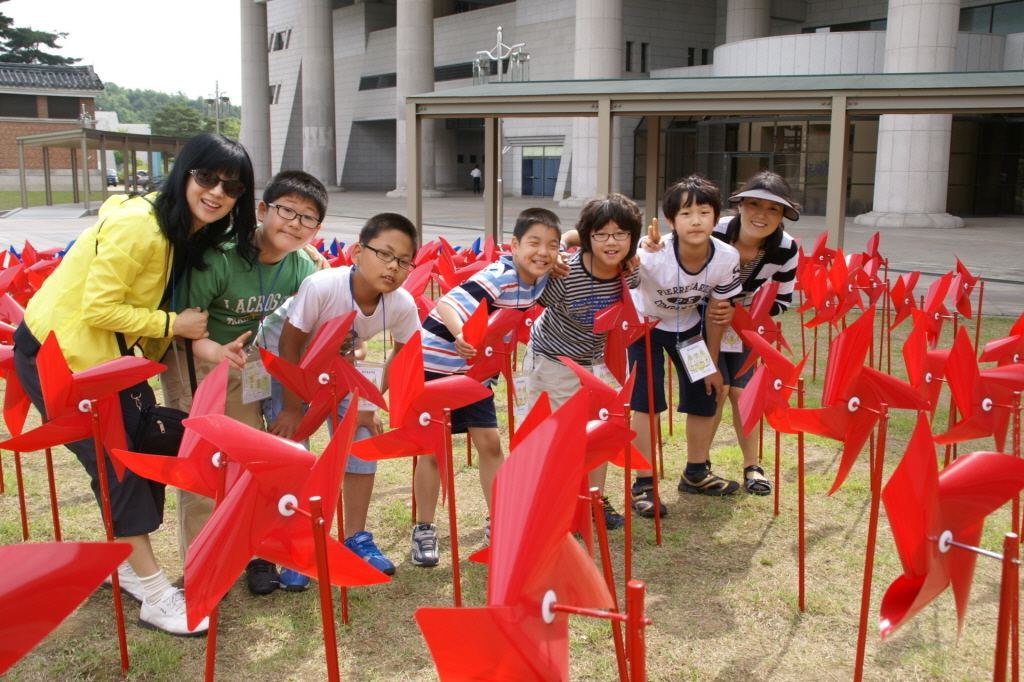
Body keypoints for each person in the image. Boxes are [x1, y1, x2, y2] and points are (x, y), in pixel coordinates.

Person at [11, 132, 258, 637]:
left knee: (134, 460)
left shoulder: (181, 227)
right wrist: (174, 325)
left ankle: (126, 564)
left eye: (231, 187)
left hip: (111, 361)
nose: (216, 191)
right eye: (206, 177)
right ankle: (154, 593)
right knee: (118, 468)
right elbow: (98, 308)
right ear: (184, 172)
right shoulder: (141, 227)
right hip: (66, 359)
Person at [160, 170, 327, 593]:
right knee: (203, 466)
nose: (295, 223)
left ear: (317, 230)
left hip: (241, 363)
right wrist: (216, 353)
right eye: (286, 210)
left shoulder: (303, 265)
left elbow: (325, 298)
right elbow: (182, 328)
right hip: (194, 359)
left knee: (252, 460)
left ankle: (254, 552)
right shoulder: (218, 258)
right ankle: (202, 566)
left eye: (307, 218)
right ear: (261, 210)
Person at [259, 213, 422, 582]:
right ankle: (296, 544)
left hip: (336, 366)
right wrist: (290, 407)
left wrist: (367, 402)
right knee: (293, 449)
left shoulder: (401, 305)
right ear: (356, 252)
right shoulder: (322, 286)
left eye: (403, 260)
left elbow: (405, 353)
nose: (392, 266)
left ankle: (356, 538)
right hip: (286, 364)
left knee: (361, 440)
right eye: (384, 253)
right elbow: (288, 344)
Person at [411, 207, 562, 566]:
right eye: (534, 243)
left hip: (475, 370)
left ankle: (500, 523)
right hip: (435, 365)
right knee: (432, 451)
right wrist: (461, 334)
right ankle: (424, 529)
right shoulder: (501, 276)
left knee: (490, 444)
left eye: (551, 246)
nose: (543, 252)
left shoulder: (544, 270)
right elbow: (447, 302)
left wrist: (560, 255)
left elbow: (572, 244)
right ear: (513, 246)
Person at [525, 194, 642, 529]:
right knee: (559, 439)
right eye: (601, 234)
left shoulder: (629, 273)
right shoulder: (564, 275)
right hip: (553, 362)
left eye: (620, 234)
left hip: (598, 365)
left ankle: (593, 499)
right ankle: (555, 505)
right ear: (588, 236)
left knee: (600, 430)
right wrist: (556, 251)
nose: (611, 242)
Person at [628, 175, 741, 516]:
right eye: (686, 213)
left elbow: (718, 314)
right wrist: (638, 249)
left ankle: (695, 473)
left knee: (708, 392)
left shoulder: (726, 257)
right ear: (670, 221)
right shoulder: (651, 256)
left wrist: (712, 362)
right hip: (643, 325)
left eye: (704, 212)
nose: (696, 221)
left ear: (716, 217)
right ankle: (643, 484)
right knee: (647, 402)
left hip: (688, 326)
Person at [709, 171, 800, 495]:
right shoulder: (714, 230)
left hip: (746, 327)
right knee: (715, 390)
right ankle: (699, 467)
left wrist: (741, 314)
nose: (761, 215)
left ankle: (752, 466)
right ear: (741, 206)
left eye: (773, 209)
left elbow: (783, 302)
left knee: (743, 393)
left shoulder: (786, 250)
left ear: (783, 215)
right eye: (754, 205)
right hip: (701, 321)